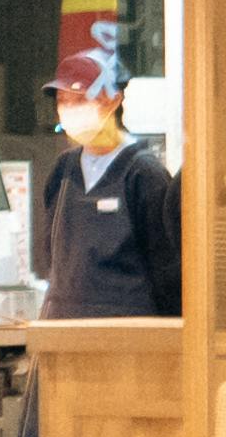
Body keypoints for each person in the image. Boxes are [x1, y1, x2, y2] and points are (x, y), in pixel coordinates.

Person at [37, 87, 181, 318]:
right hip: (63, 331)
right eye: (63, 100)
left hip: (127, 338)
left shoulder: (144, 174)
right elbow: (50, 254)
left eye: (81, 98)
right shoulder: (63, 170)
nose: (71, 108)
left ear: (113, 100)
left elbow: (167, 273)